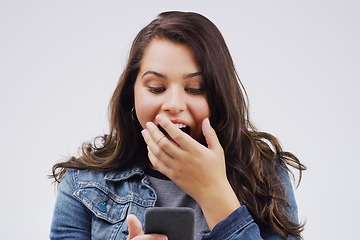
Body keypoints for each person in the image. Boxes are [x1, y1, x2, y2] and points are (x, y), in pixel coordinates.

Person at [50, 11, 306, 240]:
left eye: (195, 89)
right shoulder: (83, 183)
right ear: (133, 94)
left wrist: (213, 192)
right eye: (156, 88)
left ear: (220, 97)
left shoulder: (266, 176)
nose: (174, 104)